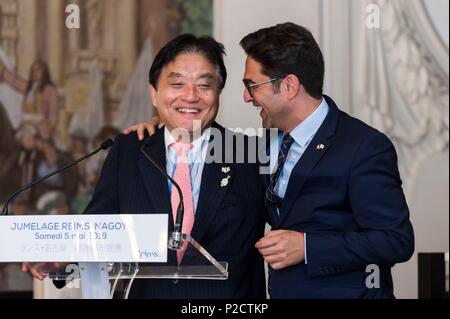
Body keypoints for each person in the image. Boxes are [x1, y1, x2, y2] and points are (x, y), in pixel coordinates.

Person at [127, 22, 415, 299]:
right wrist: (166, 124)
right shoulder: (259, 148)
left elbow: (395, 240)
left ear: (289, 86)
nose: (246, 97)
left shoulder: (363, 146)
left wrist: (307, 246)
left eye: (252, 85)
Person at [23, 34, 266, 299]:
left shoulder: (249, 154)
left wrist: (307, 245)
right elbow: (99, 228)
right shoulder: (128, 151)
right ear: (154, 94)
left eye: (204, 85)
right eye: (177, 84)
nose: (190, 96)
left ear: (218, 91)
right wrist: (63, 260)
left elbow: (296, 224)